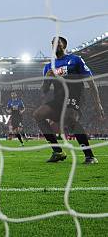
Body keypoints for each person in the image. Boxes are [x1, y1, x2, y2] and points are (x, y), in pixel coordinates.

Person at [32, 36, 104, 164]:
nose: (55, 45)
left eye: (57, 43)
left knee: (70, 118)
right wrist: (47, 78)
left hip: (75, 96)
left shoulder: (75, 60)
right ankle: (57, 151)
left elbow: (90, 81)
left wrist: (97, 103)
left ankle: (90, 156)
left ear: (64, 45)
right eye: (52, 44)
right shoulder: (49, 66)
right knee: (38, 114)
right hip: (58, 99)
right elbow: (44, 90)